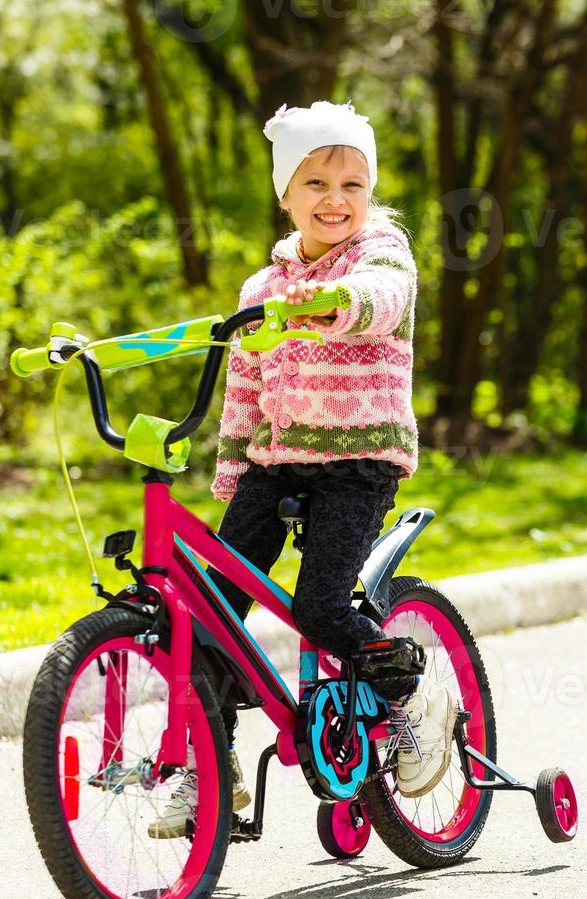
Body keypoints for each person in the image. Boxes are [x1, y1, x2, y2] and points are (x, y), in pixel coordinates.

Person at [149, 101, 454, 838]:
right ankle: (208, 769)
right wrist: (231, 475)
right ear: (286, 196)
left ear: (370, 195)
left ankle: (416, 698)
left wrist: (331, 302)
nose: (336, 198)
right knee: (213, 614)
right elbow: (244, 393)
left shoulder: (381, 256)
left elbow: (379, 301)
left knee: (321, 607)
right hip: (274, 463)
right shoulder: (260, 290)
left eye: (353, 184)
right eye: (315, 182)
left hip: (357, 461)